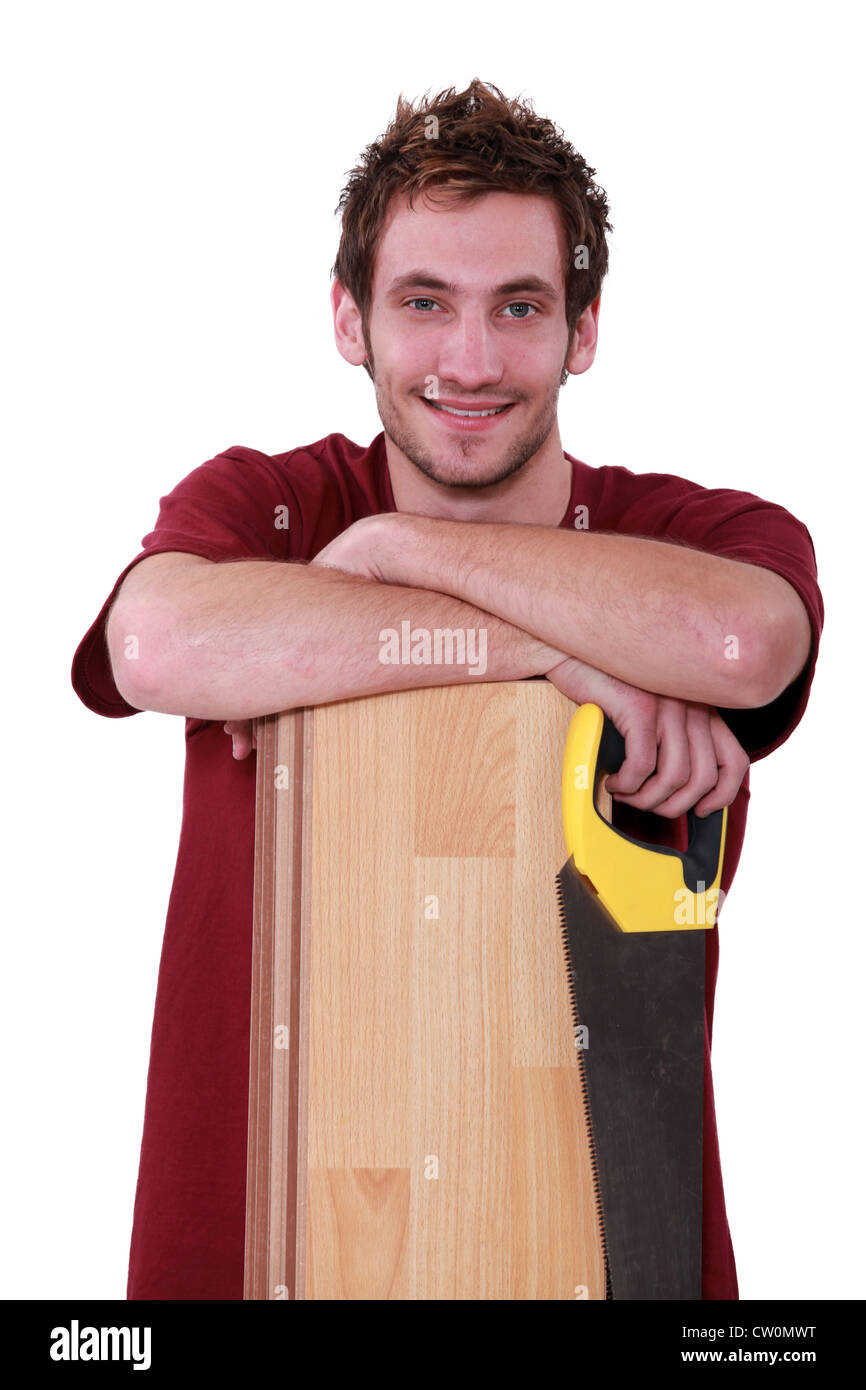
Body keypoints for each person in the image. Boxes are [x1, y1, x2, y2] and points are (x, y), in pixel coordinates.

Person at [71, 78, 823, 1301]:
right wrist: (562, 653)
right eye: (423, 302)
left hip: (605, 1252)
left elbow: (741, 646)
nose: (469, 361)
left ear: (582, 329)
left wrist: (394, 551)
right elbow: (152, 648)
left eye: (518, 306)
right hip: (250, 1249)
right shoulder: (266, 510)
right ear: (348, 318)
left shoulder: (690, 536)